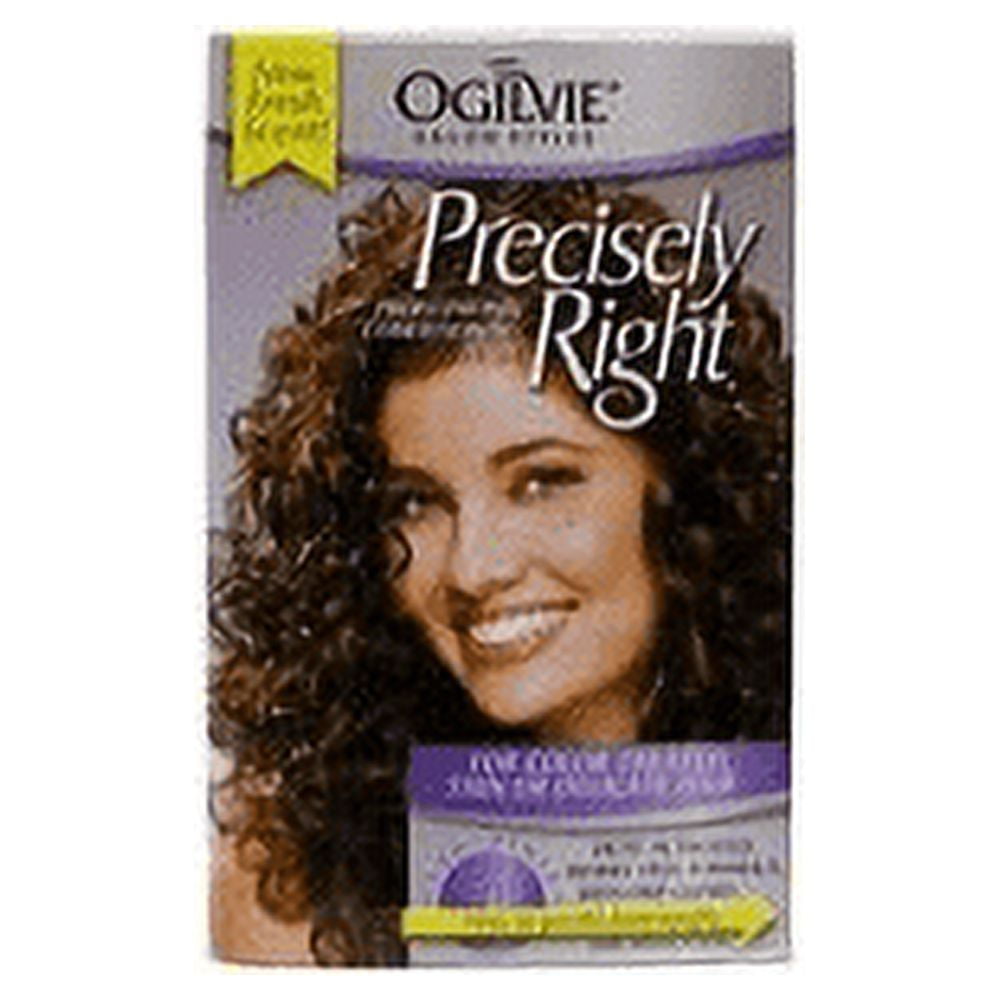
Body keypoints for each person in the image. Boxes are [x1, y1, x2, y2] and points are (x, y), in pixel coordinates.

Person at [209, 182, 790, 965]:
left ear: (688, 481)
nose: (473, 567)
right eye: (415, 502)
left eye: (543, 481)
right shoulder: (300, 861)